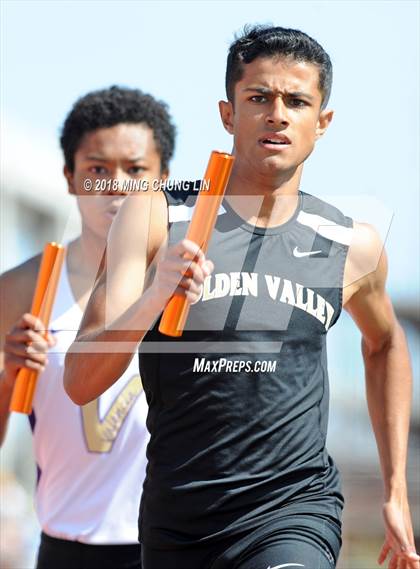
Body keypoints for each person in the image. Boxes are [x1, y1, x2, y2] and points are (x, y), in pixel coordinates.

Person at [64, 27, 419, 569]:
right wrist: (155, 293)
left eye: (297, 101)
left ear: (322, 122)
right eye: (259, 98)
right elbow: (80, 381)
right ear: (229, 114)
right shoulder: (157, 216)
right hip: (178, 524)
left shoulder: (351, 244)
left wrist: (395, 490)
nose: (277, 114)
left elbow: (385, 343)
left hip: (293, 512)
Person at [0, 85, 176, 569]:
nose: (116, 185)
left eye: (136, 171)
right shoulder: (20, 290)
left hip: (173, 544)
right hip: (68, 547)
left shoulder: (188, 281)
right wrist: (8, 379)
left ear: (164, 178)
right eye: (98, 169)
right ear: (70, 177)